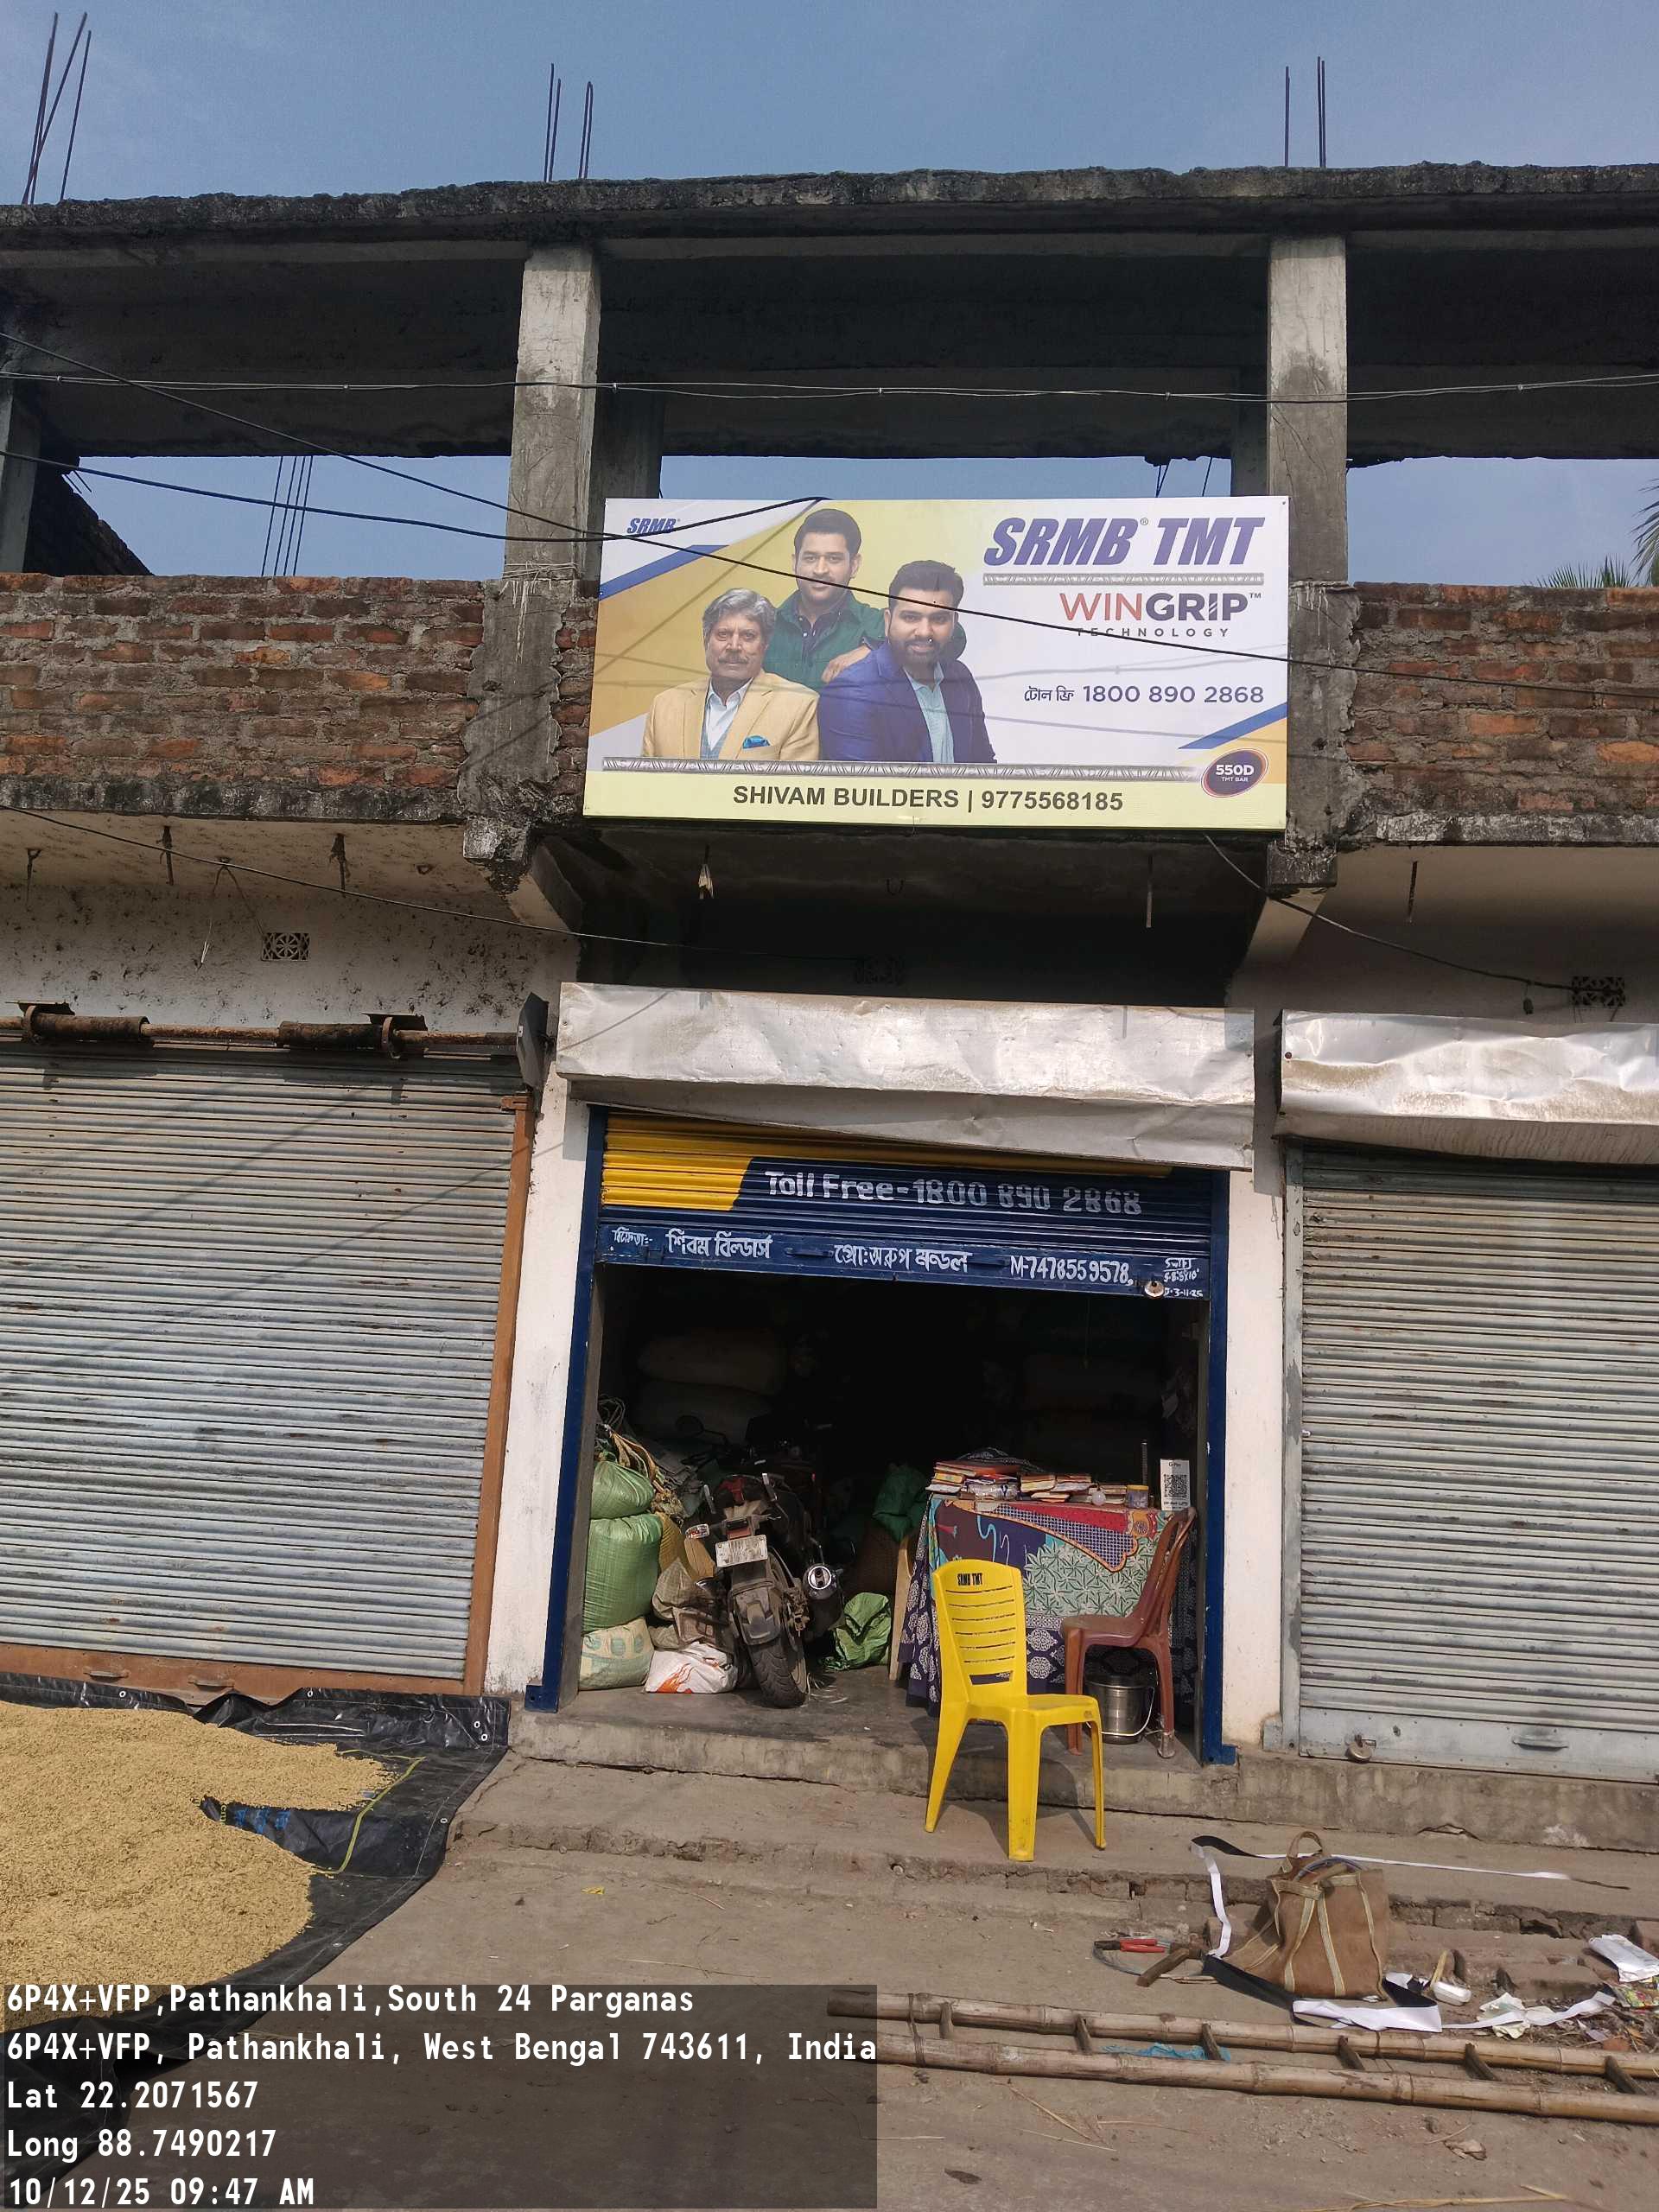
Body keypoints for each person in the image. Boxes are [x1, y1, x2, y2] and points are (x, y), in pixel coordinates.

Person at [766, 507, 968, 692]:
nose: (820, 570)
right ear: (795, 563)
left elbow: (955, 637)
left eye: (834, 559)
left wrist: (875, 651)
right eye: (810, 558)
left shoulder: (878, 624)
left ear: (854, 565)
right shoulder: (764, 627)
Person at [817, 561, 995, 765]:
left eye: (939, 619)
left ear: (954, 622)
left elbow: (984, 766)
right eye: (911, 617)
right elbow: (867, 783)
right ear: (887, 621)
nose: (924, 632)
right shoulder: (851, 693)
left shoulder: (960, 676)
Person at [642, 588, 818, 762]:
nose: (734, 646)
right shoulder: (664, 705)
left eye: (748, 636)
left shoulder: (799, 705)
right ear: (706, 640)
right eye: (723, 634)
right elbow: (644, 780)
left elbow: (793, 780)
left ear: (765, 644)